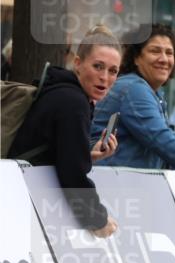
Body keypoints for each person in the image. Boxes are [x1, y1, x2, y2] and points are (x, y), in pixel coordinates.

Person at [92, 23, 175, 214]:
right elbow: (161, 138)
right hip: (111, 197)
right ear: (136, 57)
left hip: (125, 195)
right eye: (155, 51)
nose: (164, 59)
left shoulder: (151, 91)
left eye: (169, 53)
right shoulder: (133, 88)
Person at [10, 25, 121, 236]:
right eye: (98, 66)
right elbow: (73, 175)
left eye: (113, 71)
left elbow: (58, 155)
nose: (105, 77)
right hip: (20, 204)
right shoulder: (74, 102)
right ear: (78, 63)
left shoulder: (67, 94)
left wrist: (87, 155)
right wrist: (97, 219)